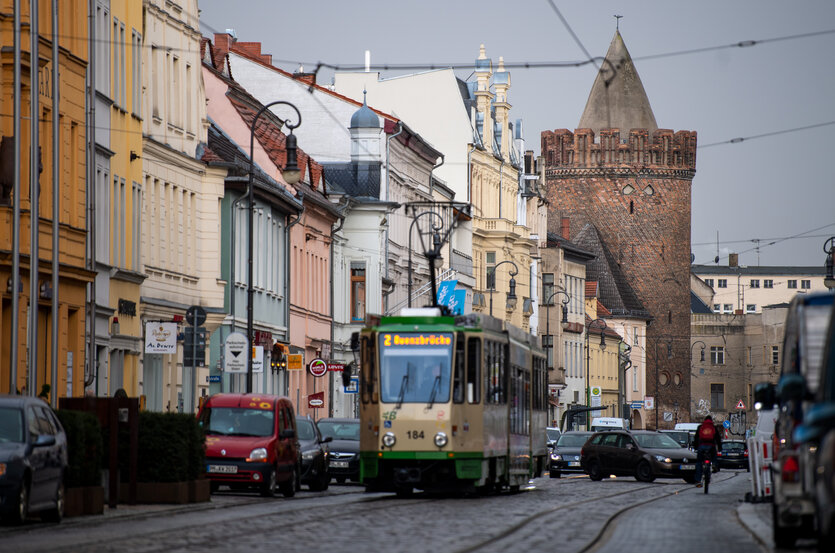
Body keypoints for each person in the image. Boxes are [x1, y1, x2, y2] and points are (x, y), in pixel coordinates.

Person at [694, 415, 721, 486]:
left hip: (701, 447)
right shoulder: (713, 427)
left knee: (699, 462)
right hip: (711, 447)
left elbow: (696, 438)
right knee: (714, 456)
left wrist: (696, 447)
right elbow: (718, 439)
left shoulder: (700, 427)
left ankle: (698, 480)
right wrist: (720, 448)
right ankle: (714, 465)